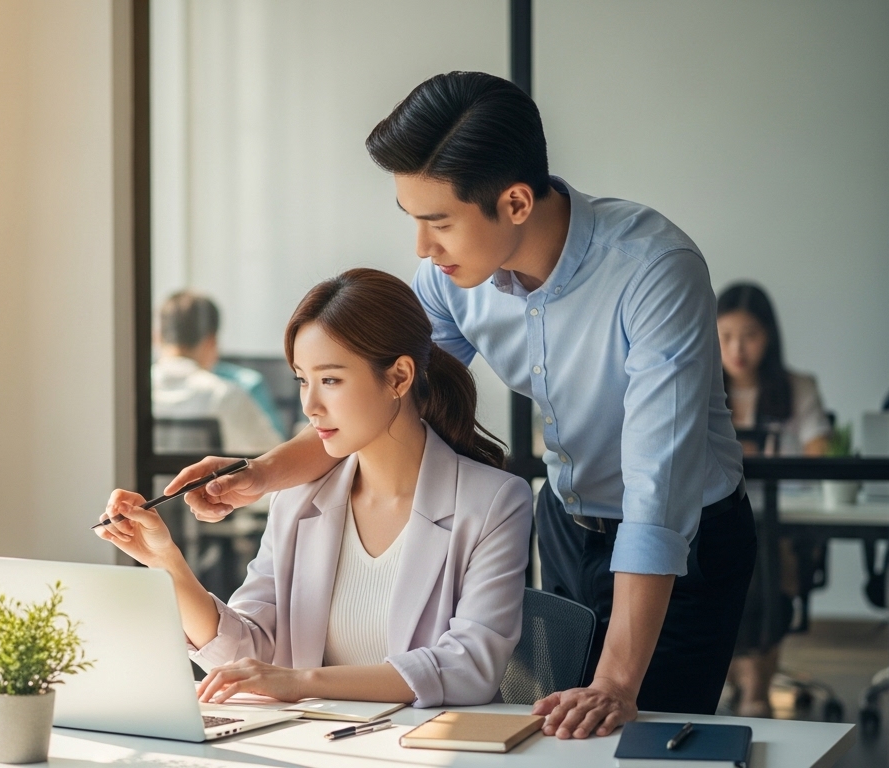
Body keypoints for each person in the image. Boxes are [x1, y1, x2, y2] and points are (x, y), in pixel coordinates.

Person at [165, 72, 755, 739]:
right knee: (556, 739)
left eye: (438, 222)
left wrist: (617, 682)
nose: (422, 248)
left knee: (641, 737)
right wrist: (258, 476)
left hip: (685, 535)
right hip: (569, 525)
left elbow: (658, 487)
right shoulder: (450, 282)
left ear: (515, 202)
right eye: (413, 220)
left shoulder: (653, 270)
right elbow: (382, 399)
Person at [100, 269, 531, 706]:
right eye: (303, 381)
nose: (310, 404)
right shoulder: (299, 499)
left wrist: (303, 682)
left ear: (399, 377)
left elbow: (468, 667)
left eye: (330, 380)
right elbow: (249, 652)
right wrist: (167, 564)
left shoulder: (494, 502)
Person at [716, 282, 832, 718]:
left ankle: (754, 689)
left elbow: (818, 452)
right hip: (718, 517)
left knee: (762, 556)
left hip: (784, 523)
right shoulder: (700, 383)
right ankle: (748, 687)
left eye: (749, 335)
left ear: (769, 336)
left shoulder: (797, 387)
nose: (737, 348)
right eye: (725, 336)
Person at [153, 291, 283, 455]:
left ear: (156, 338)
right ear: (212, 342)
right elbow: (273, 457)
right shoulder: (225, 395)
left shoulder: (132, 395)